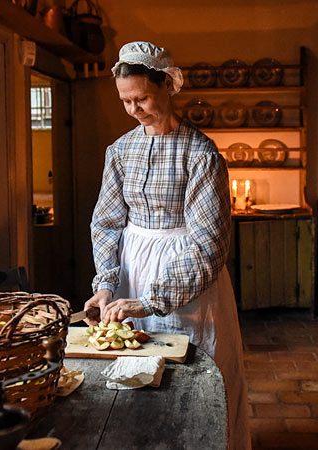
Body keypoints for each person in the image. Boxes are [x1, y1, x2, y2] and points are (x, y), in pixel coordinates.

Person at [84, 41, 251, 450]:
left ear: (168, 87)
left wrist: (150, 301)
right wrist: (106, 286)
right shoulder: (119, 151)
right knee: (132, 372)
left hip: (187, 274)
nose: (134, 109)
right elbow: (106, 224)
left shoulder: (201, 152)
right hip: (130, 269)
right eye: (126, 101)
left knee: (190, 372)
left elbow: (209, 245)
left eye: (141, 97)